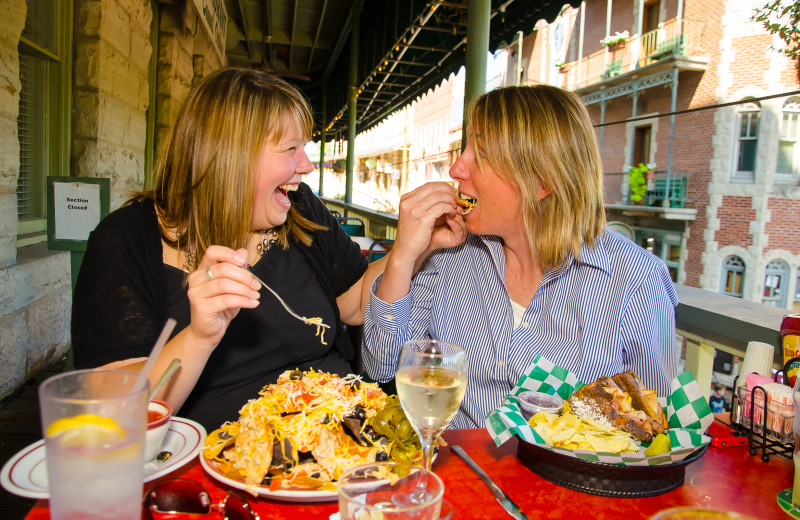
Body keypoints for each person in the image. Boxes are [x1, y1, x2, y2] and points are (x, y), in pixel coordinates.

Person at [72, 68, 386, 430]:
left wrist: (411, 243)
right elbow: (110, 413)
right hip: (215, 464)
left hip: (342, 442)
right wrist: (198, 337)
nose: (307, 165)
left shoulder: (299, 208)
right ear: (234, 158)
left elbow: (357, 303)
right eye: (290, 149)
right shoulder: (125, 240)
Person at [362, 85, 679, 429]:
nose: (456, 169)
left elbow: (653, 425)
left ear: (541, 181)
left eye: (480, 155)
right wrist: (404, 257)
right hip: (456, 471)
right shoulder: (448, 252)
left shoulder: (636, 280)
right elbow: (379, 366)